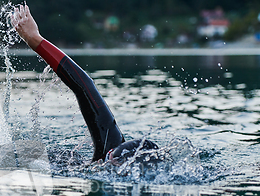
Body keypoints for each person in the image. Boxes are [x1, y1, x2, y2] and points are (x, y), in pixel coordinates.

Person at [11, 5, 159, 165]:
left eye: (112, 158)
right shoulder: (109, 143)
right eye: (111, 156)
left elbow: (84, 85)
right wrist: (35, 40)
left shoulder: (106, 155)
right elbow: (84, 87)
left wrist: (35, 40)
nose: (108, 160)